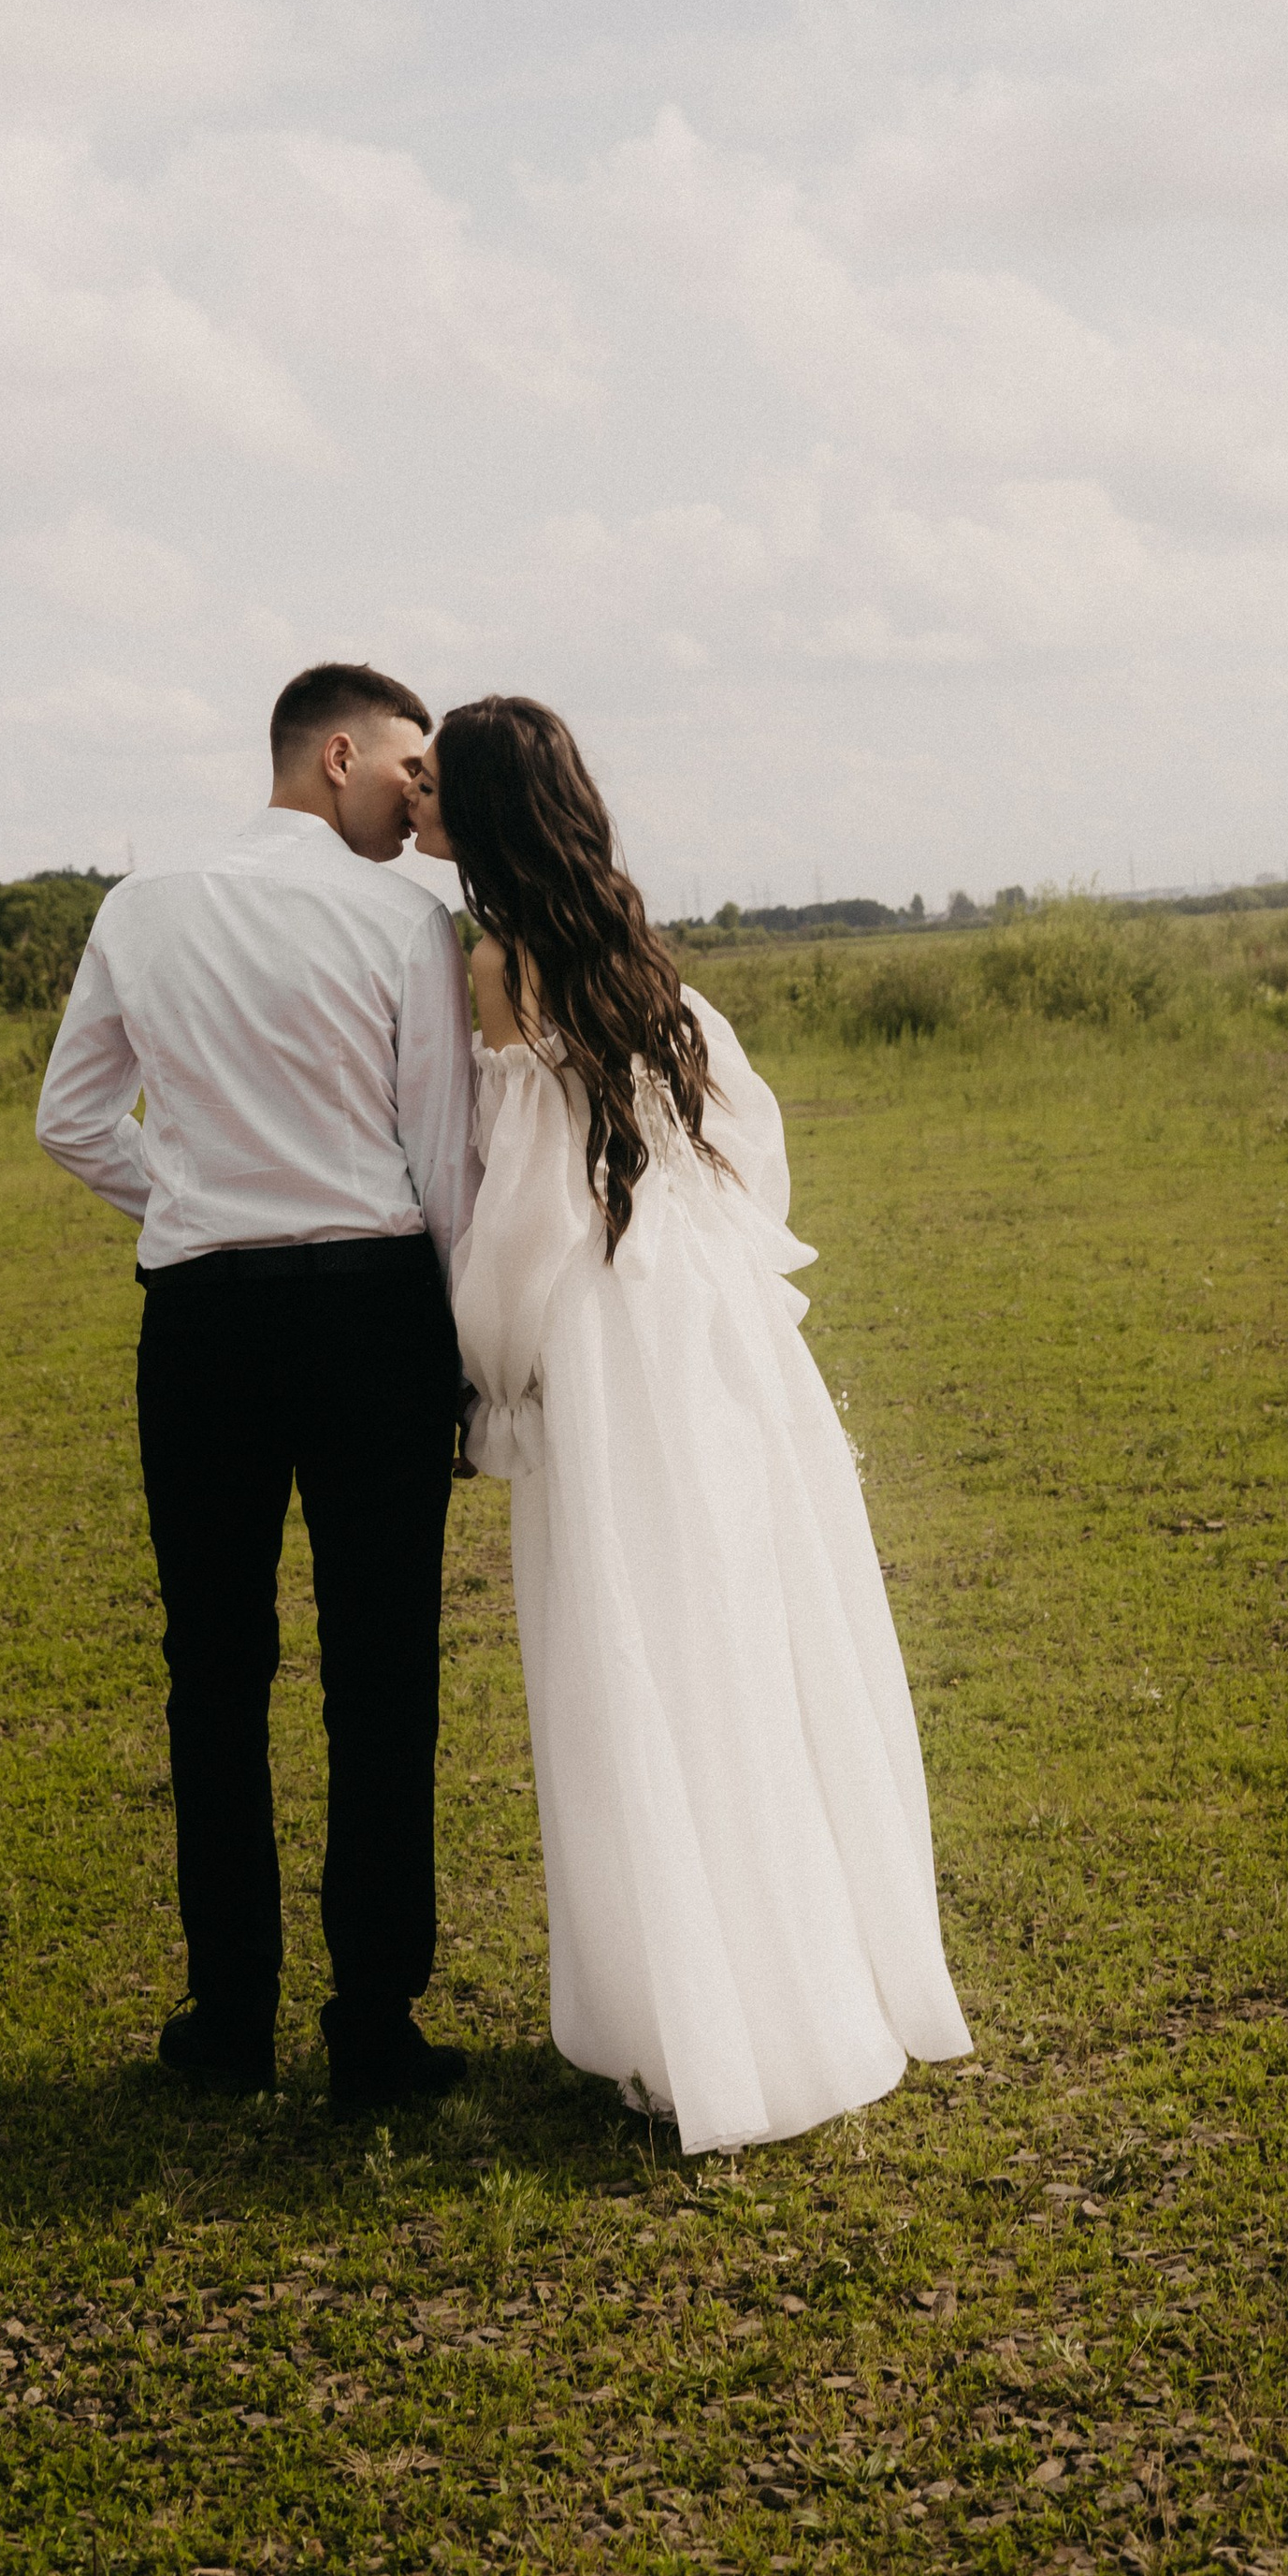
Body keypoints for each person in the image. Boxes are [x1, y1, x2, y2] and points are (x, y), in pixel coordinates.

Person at [410, 693, 971, 2152]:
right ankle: (796, 1972)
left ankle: (697, 2007)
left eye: (431, 787)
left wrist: (492, 1366)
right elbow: (750, 1138)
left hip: (608, 1344)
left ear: (473, 808)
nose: (413, 807)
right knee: (743, 1627)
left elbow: (527, 1205)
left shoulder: (499, 963)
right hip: (714, 1326)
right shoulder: (632, 951)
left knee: (636, 1645)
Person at [36, 662, 481, 2112]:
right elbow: (442, 1162)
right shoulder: (408, 919)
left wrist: (195, 1199)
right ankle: (373, 2026)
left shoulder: (140, 904)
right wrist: (466, 1351)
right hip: (374, 1309)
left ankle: (228, 2016)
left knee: (213, 1669)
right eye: (409, 770)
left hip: (203, 1322)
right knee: (382, 1671)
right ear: (338, 753)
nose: (421, 798)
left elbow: (71, 1120)